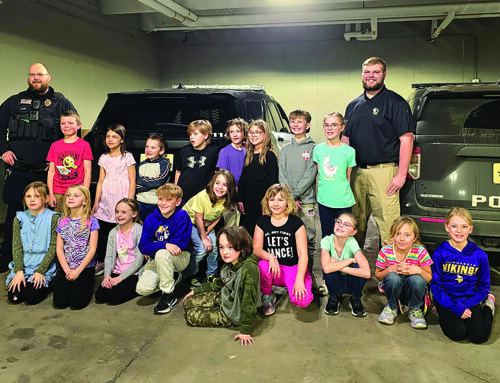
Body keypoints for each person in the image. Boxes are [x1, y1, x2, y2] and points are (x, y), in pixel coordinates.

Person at [0, 62, 76, 272]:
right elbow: (0, 129)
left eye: (39, 75)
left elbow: (73, 130)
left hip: (48, 172)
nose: (35, 78)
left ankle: (51, 257)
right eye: (32, 75)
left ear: (48, 77)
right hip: (18, 169)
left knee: (51, 217)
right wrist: (3, 150)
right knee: (14, 214)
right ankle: (7, 254)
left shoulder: (60, 102)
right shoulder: (13, 102)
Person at [344, 57, 415, 248]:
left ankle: (389, 274)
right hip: (357, 172)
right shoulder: (353, 105)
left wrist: (401, 174)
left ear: (384, 74)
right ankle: (354, 271)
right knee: (354, 224)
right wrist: (345, 174)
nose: (371, 76)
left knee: (389, 226)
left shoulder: (396, 102)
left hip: (384, 172)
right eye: (367, 72)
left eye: (376, 72)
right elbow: (346, 140)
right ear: (362, 75)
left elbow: (406, 139)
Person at [183, 226, 260, 346]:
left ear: (242, 247)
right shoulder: (229, 263)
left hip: (233, 312)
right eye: (221, 247)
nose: (225, 252)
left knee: (190, 316)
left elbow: (248, 301)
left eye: (230, 247)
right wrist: (197, 290)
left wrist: (246, 330)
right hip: (225, 297)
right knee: (188, 302)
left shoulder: (249, 269)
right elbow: (221, 282)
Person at [430, 208, 495, 343]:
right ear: (447, 227)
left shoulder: (480, 255)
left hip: (470, 299)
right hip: (447, 300)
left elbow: (483, 287)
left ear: (470, 229)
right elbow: (436, 287)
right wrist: (455, 307)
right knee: (459, 334)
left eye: (464, 227)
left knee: (479, 337)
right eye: (454, 226)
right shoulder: (439, 253)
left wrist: (467, 305)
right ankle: (440, 310)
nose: (459, 231)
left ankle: (488, 306)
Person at [253, 184, 313, 315]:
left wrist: (299, 280)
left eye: (280, 199)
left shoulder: (296, 223)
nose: (276, 203)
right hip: (274, 268)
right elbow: (256, 249)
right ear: (267, 201)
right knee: (263, 264)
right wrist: (270, 257)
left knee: (303, 301)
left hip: (292, 267)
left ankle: (301, 281)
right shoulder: (262, 221)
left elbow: (303, 255)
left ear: (288, 202)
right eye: (272, 199)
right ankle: (267, 295)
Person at [136, 183, 192, 315]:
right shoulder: (151, 218)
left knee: (162, 253)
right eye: (160, 199)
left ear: (178, 202)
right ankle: (173, 277)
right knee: (142, 289)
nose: (163, 203)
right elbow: (143, 246)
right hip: (156, 259)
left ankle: (168, 295)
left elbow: (179, 245)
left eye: (168, 200)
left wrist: (155, 247)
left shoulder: (182, 216)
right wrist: (164, 245)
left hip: (180, 257)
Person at [279, 109, 318, 290]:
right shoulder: (285, 149)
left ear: (307, 125)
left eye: (299, 122)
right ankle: (290, 276)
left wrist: (295, 195)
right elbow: (282, 175)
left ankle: (308, 278)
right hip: (288, 202)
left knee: (308, 240)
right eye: (292, 121)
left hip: (306, 201)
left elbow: (310, 174)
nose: (295, 125)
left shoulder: (313, 148)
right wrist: (289, 198)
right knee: (288, 240)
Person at [5, 182, 59, 304]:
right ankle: (22, 278)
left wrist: (41, 271)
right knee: (15, 297)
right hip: (24, 263)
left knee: (32, 298)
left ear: (46, 199)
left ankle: (45, 282)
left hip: (43, 263)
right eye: (28, 196)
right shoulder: (19, 218)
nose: (32, 200)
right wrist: (19, 271)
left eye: (37, 196)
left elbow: (53, 247)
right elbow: (16, 246)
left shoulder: (54, 218)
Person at [92, 124, 136, 275]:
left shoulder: (127, 157)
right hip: (106, 198)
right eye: (108, 136)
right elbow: (100, 181)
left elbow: (132, 181)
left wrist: (130, 202)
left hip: (121, 197)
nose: (110, 140)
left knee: (120, 230)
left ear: (122, 139)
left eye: (114, 137)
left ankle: (121, 261)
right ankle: (103, 261)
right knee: (102, 230)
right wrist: (96, 201)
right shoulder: (104, 158)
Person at [182, 169, 237, 287]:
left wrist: (209, 229)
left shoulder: (226, 199)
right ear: (212, 183)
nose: (220, 187)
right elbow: (198, 219)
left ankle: (211, 273)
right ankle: (190, 274)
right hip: (189, 222)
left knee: (215, 247)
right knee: (202, 249)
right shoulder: (203, 196)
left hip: (206, 224)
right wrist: (204, 237)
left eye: (225, 185)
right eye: (217, 183)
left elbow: (218, 215)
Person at [375, 216, 432, 329]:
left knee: (417, 279)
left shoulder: (420, 252)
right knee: (392, 278)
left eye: (407, 235)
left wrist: (418, 270)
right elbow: (378, 276)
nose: (401, 238)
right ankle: (392, 307)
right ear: (393, 235)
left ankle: (415, 308)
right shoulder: (386, 251)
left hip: (413, 290)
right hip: (394, 288)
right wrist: (390, 269)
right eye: (398, 234)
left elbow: (429, 277)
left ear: (414, 238)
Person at [53, 185, 99, 310]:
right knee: (60, 303)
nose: (70, 198)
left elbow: (92, 249)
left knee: (77, 303)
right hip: (66, 266)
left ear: (85, 201)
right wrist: (67, 269)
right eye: (68, 195)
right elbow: (59, 248)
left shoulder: (92, 222)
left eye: (76, 195)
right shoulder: (62, 221)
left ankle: (89, 283)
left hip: (84, 267)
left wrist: (78, 271)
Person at [313, 112, 356, 239]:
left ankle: (343, 259)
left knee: (343, 236)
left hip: (343, 202)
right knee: (327, 234)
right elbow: (320, 174)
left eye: (334, 125)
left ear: (342, 127)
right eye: (326, 125)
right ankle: (328, 259)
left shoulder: (349, 152)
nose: (330, 128)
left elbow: (347, 178)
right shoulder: (318, 150)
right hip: (324, 201)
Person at [321, 213, 371, 317]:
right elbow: (326, 268)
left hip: (350, 282)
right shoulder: (326, 241)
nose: (340, 225)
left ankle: (355, 297)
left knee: (358, 267)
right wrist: (349, 260)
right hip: (336, 282)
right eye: (338, 222)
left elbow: (366, 273)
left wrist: (340, 265)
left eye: (346, 225)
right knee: (329, 267)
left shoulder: (352, 243)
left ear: (353, 232)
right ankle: (333, 297)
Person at [95, 199, 143, 305]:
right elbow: (109, 257)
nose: (119, 215)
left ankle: (136, 290)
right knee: (100, 296)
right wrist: (107, 275)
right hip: (117, 271)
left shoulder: (139, 231)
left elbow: (139, 261)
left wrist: (120, 278)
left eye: (123, 212)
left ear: (134, 214)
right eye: (117, 212)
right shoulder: (113, 232)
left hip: (133, 273)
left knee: (114, 298)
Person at [238, 120, 278, 237]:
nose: (253, 135)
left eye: (257, 132)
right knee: (247, 229)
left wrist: (269, 202)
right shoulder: (248, 154)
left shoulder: (269, 155)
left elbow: (273, 181)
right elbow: (243, 177)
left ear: (265, 134)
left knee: (260, 229)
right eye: (251, 132)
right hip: (248, 198)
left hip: (262, 198)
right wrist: (240, 199)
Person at [46, 110, 93, 212]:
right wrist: (50, 194)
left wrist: (84, 193)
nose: (66, 126)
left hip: (77, 192)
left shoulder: (84, 145)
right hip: (58, 192)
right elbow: (51, 172)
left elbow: (88, 172)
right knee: (59, 223)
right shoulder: (55, 146)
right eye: (63, 123)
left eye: (71, 123)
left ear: (79, 125)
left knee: (77, 222)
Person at [174, 120, 219, 204]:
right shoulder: (184, 151)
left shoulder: (213, 151)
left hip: (202, 196)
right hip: (184, 195)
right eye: (190, 134)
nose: (192, 137)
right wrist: (176, 191)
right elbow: (178, 172)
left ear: (205, 135)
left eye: (195, 134)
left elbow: (217, 172)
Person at [136, 133, 171, 222]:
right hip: (141, 203)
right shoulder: (141, 165)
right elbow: (136, 185)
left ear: (161, 151)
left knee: (157, 228)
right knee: (142, 227)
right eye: (147, 147)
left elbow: (159, 182)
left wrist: (143, 180)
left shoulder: (164, 163)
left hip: (157, 204)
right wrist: (152, 185)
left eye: (153, 148)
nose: (148, 150)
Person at [216, 118, 248, 186]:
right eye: (231, 132)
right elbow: (222, 175)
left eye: (238, 131)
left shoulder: (247, 151)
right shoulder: (224, 152)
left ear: (244, 133)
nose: (234, 135)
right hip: (230, 188)